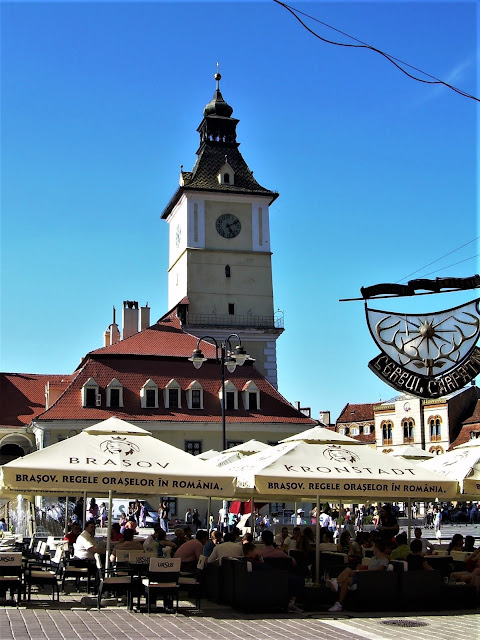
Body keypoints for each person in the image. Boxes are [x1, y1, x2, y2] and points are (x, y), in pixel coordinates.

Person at [328, 539, 390, 612]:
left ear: (377, 549)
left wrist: (362, 571)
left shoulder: (384, 560)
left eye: (374, 547)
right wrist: (361, 568)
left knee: (348, 570)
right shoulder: (373, 558)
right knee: (346, 581)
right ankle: (339, 604)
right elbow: (370, 567)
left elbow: (379, 570)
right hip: (364, 576)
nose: (373, 549)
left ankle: (336, 582)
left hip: (370, 578)